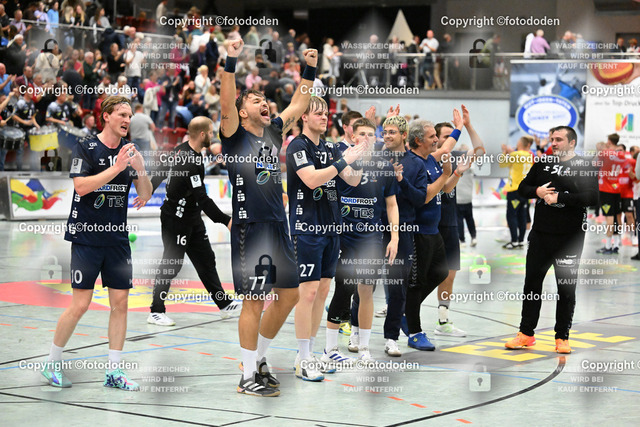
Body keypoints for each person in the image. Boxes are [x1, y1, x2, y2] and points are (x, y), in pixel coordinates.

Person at [220, 38, 318, 397]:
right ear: (242, 112)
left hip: (279, 225)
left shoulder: (274, 133)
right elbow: (226, 102)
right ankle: (247, 376)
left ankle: (259, 358)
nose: (264, 102)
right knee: (254, 301)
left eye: (264, 99)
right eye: (254, 100)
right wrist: (231, 61)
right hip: (252, 229)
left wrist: (309, 69)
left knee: (289, 295)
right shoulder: (233, 135)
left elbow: (299, 104)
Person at [41, 95, 152, 389]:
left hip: (117, 240)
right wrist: (117, 167)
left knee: (121, 304)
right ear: (106, 116)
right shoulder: (87, 147)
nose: (127, 120)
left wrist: (140, 167)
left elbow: (145, 194)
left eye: (129, 115)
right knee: (80, 304)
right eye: (122, 114)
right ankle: (52, 363)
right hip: (87, 237)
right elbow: (81, 186)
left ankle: (114, 372)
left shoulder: (130, 151)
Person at [287, 96, 363, 381]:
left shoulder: (330, 148)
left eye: (326, 113)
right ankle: (302, 358)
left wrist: (359, 157)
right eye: (317, 113)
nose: (324, 117)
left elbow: (352, 179)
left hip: (332, 228)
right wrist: (344, 160)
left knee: (321, 292)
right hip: (307, 228)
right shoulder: (298, 146)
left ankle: (309, 353)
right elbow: (311, 180)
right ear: (304, 117)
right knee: (307, 293)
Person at [505, 126, 598, 353]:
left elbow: (593, 197)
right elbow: (522, 188)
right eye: (552, 139)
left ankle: (562, 336)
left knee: (565, 288)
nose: (553, 143)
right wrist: (537, 192)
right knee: (532, 284)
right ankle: (526, 333)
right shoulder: (543, 163)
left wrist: (561, 198)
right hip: (541, 235)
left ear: (572, 143)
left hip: (569, 238)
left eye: (559, 139)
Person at [143, 116, 241, 326]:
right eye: (211, 132)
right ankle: (156, 311)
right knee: (172, 264)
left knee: (206, 259)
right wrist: (226, 221)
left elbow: (160, 171)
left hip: (192, 216)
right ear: (203, 134)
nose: (213, 136)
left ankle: (224, 304)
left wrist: (148, 192)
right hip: (176, 218)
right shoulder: (189, 161)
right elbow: (202, 198)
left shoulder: (182, 150)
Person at [326, 117, 399, 364]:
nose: (367, 138)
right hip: (344, 237)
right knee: (343, 290)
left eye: (371, 134)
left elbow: (391, 204)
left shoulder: (383, 166)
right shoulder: (342, 161)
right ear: (353, 136)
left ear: (376, 138)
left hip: (371, 239)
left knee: (366, 290)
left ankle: (364, 348)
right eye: (362, 134)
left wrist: (395, 237)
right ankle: (330, 348)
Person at [404, 110, 466, 351]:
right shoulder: (414, 163)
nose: (437, 140)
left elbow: (444, 186)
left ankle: (404, 309)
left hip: (433, 230)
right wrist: (448, 173)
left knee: (440, 273)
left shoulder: (430, 158)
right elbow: (426, 196)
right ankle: (414, 332)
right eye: (432, 136)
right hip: (418, 231)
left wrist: (460, 127)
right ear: (418, 140)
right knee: (416, 282)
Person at [433, 107, 484, 337]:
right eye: (447, 136)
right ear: (436, 140)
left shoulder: (455, 158)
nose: (451, 139)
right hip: (428, 225)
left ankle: (443, 321)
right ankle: (403, 315)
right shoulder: (428, 160)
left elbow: (480, 151)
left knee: (449, 275)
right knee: (419, 276)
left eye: (454, 134)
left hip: (450, 224)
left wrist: (468, 125)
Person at [499, 136, 534, 248]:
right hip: (525, 190)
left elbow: (502, 163)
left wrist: (505, 152)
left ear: (520, 144)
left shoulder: (515, 155)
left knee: (512, 215)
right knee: (522, 215)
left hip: (515, 190)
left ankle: (514, 241)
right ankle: (521, 241)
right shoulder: (529, 155)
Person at [596, 134, 626, 254]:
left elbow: (595, 164)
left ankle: (608, 246)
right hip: (617, 189)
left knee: (609, 218)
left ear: (609, 141)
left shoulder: (605, 153)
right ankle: (616, 244)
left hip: (606, 190)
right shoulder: (621, 155)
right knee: (616, 216)